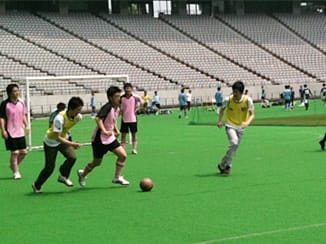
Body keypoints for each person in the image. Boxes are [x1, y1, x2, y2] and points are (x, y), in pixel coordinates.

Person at [77, 86, 129, 187]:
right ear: (110, 98)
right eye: (116, 96)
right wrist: (104, 130)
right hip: (99, 139)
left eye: (119, 96)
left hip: (110, 138)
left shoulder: (117, 108)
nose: (119, 98)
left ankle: (117, 177)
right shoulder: (107, 107)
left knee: (123, 155)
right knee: (97, 162)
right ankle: (82, 174)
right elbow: (98, 119)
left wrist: (116, 130)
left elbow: (112, 121)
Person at [32, 97, 84, 193]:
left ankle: (63, 176)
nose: (79, 112)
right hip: (51, 142)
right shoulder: (59, 118)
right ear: (71, 108)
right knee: (49, 168)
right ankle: (37, 185)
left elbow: (66, 128)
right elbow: (57, 137)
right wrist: (72, 143)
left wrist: (69, 138)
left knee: (72, 157)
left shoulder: (78, 117)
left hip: (63, 140)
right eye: (78, 110)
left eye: (80, 109)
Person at [216, 80, 255, 175]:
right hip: (230, 125)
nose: (234, 93)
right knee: (234, 142)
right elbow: (222, 110)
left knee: (235, 147)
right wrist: (220, 120)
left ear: (241, 92)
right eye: (233, 91)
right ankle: (226, 165)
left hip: (241, 126)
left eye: (236, 92)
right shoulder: (228, 100)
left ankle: (223, 165)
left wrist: (247, 123)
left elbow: (252, 114)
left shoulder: (247, 100)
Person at [0, 84, 30, 180]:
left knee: (24, 152)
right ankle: (16, 172)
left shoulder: (21, 102)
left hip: (20, 131)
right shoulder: (5, 104)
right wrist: (3, 130)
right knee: (15, 152)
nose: (17, 93)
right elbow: (2, 118)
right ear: (9, 93)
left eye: (18, 90)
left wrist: (27, 125)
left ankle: (13, 165)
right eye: (14, 91)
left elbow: (23, 115)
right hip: (10, 131)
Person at [120, 83, 143, 155]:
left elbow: (142, 102)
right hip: (124, 119)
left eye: (129, 88)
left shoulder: (135, 97)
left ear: (131, 89)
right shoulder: (121, 98)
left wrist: (138, 109)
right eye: (126, 88)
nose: (128, 90)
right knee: (123, 135)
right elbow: (118, 106)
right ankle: (123, 150)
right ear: (124, 89)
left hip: (133, 119)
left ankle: (134, 149)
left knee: (134, 134)